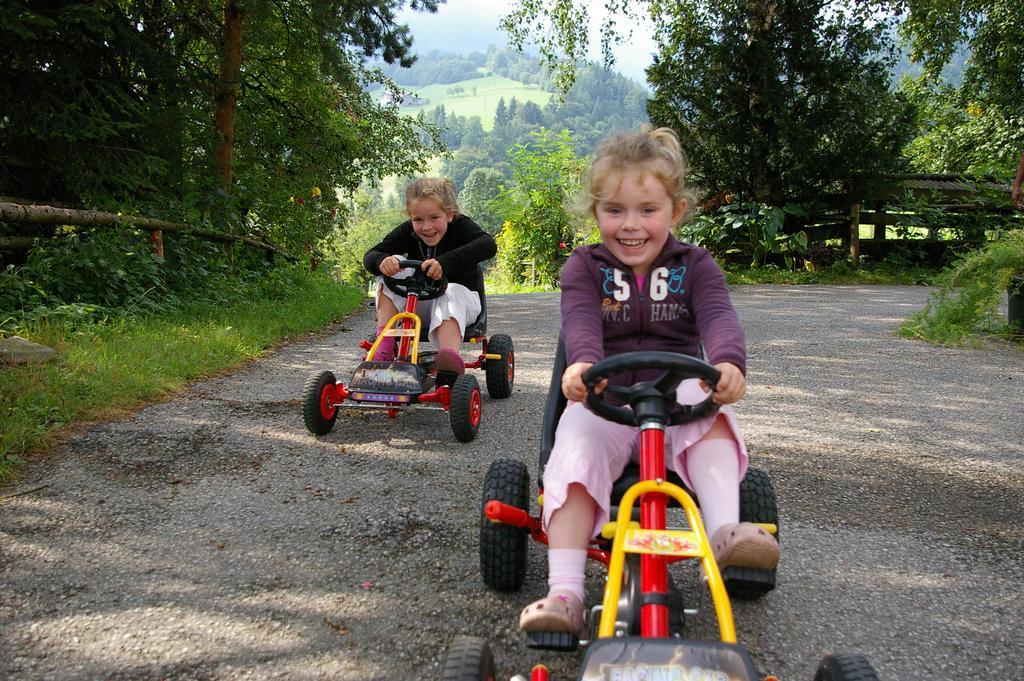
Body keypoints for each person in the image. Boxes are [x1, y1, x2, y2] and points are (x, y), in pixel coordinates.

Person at [518, 126, 779, 637]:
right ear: (595, 214)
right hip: (607, 399)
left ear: (675, 211)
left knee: (712, 411)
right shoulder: (584, 266)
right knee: (573, 456)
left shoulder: (695, 265)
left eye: (647, 210)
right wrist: (582, 367)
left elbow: (719, 318)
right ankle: (566, 593)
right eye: (614, 210)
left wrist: (727, 363)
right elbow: (580, 322)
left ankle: (726, 532)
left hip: (674, 399)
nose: (630, 225)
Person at [363, 177, 496, 379]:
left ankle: (448, 359)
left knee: (450, 291)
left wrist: (445, 263)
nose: (426, 227)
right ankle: (386, 344)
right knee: (394, 263)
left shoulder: (460, 226)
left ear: (449, 214)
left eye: (434, 218)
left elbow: (488, 244)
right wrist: (382, 261)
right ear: (411, 218)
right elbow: (371, 254)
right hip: (421, 302)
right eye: (418, 220)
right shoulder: (408, 232)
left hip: (462, 304)